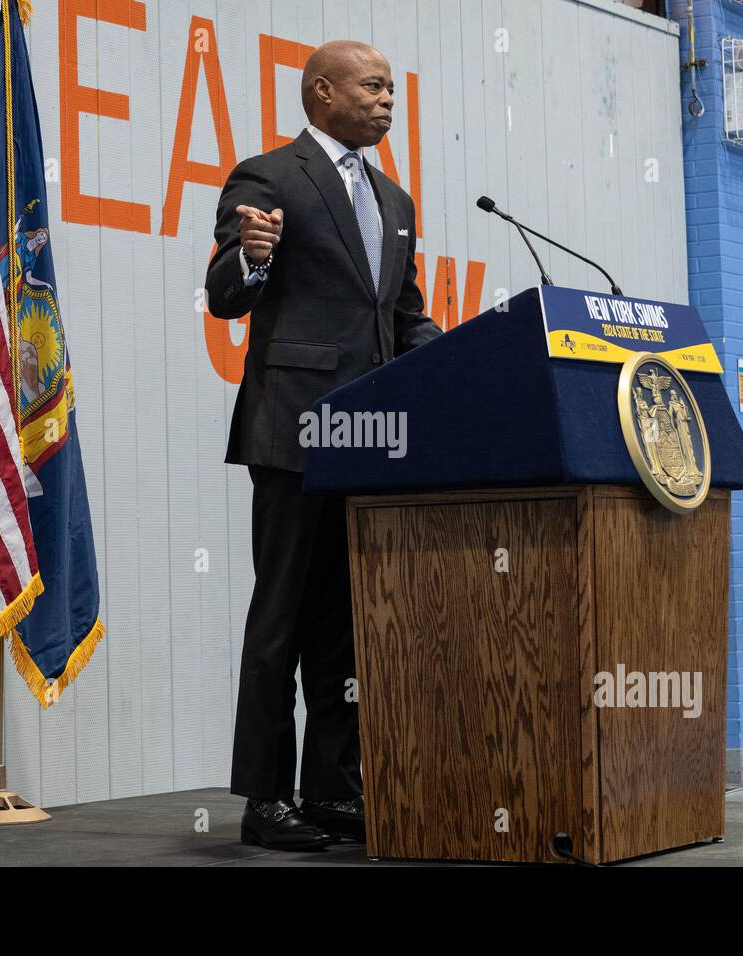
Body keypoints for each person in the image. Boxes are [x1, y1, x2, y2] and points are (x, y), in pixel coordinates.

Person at [205, 39, 441, 851]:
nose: (387, 100)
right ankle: (266, 799)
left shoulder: (395, 200)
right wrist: (251, 259)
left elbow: (402, 314)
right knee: (281, 619)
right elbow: (224, 294)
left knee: (346, 627)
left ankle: (334, 790)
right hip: (294, 429)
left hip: (372, 442)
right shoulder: (270, 176)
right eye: (373, 86)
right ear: (322, 92)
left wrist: (456, 359)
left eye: (391, 89)